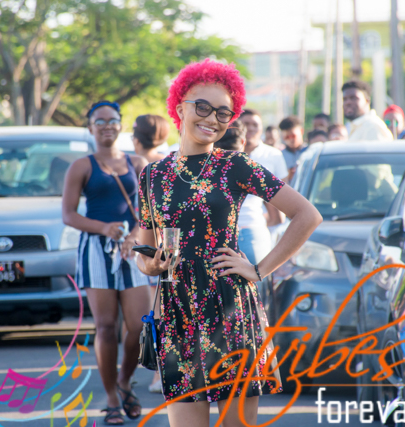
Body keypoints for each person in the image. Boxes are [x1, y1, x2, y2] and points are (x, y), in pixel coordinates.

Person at [134, 59, 322, 427]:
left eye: (223, 112)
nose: (213, 118)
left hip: (229, 307)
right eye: (202, 107)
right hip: (177, 311)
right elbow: (145, 251)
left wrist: (258, 269)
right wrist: (152, 264)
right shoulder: (152, 175)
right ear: (180, 108)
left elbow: (307, 215)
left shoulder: (235, 165)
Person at [62, 100, 150, 425]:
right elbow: (68, 215)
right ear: (90, 128)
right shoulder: (81, 166)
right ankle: (112, 396)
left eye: (112, 120)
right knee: (106, 326)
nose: (107, 126)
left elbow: (149, 211)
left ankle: (125, 380)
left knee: (140, 326)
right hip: (95, 250)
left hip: (132, 249)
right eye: (99, 121)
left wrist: (134, 236)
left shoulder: (137, 163)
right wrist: (104, 229)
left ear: (120, 125)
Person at [130, 113, 171, 394]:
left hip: (148, 248)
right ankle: (161, 371)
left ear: (136, 139)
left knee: (156, 311)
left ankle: (159, 373)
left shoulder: (139, 165)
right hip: (165, 246)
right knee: (161, 309)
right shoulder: (169, 163)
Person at [235, 109, 288, 276]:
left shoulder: (273, 155)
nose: (250, 128)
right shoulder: (223, 155)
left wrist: (267, 219)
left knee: (258, 280)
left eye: (255, 124)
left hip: (256, 228)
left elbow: (284, 198)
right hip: (224, 231)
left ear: (261, 128)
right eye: (246, 124)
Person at [278, 115, 307, 185]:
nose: (290, 139)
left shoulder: (310, 152)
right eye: (287, 137)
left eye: (293, 136)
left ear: (301, 131)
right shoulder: (280, 156)